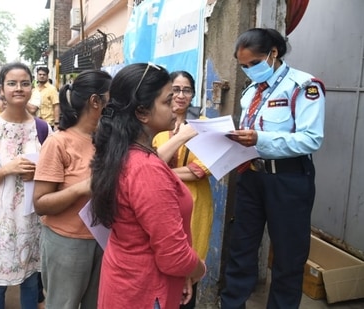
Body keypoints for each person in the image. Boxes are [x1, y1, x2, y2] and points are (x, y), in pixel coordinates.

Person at [221, 28, 326, 309]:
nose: (250, 70)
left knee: (288, 256)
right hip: (251, 177)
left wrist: (260, 139)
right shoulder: (250, 92)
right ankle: (232, 304)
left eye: (255, 63)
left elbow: (311, 139)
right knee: (241, 247)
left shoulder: (304, 86)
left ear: (273, 53)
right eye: (244, 66)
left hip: (288, 179)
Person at [90, 63, 206, 309]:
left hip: (126, 279)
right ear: (142, 112)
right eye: (166, 101)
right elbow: (173, 255)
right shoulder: (145, 169)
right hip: (145, 289)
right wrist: (198, 268)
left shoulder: (123, 153)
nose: (175, 105)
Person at [33, 69, 112, 309]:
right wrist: (83, 188)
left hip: (104, 239)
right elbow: (40, 203)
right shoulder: (59, 143)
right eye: (112, 98)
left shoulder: (108, 139)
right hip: (67, 243)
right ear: (95, 101)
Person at [0, 62, 46, 309]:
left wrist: (37, 173)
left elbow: (55, 174)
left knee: (31, 280)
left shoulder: (43, 129)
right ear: (1, 88)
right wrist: (6, 170)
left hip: (32, 217)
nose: (19, 88)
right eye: (12, 83)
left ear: (31, 86)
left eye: (25, 83)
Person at [153, 71, 212, 309]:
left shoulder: (205, 125)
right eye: (175, 90)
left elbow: (204, 167)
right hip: (161, 201)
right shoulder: (155, 123)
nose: (180, 95)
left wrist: (160, 171)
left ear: (193, 94)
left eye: (186, 90)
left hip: (196, 202)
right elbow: (146, 162)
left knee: (190, 262)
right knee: (164, 261)